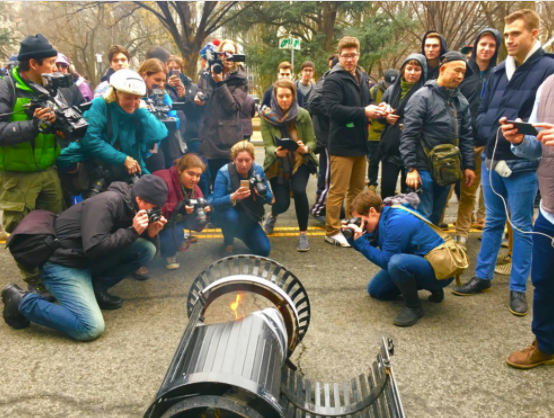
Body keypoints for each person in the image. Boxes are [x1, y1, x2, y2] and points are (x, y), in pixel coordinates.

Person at [452, 9, 554, 317]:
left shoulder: (548, 69)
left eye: (515, 34)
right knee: (493, 222)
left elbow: (542, 122)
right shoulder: (498, 71)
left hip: (523, 165)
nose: (508, 39)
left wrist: (520, 133)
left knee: (521, 226)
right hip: (491, 159)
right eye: (506, 34)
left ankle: (518, 288)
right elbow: (481, 112)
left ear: (534, 34)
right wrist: (492, 130)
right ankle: (483, 276)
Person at [1, 175, 168, 341]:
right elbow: (95, 248)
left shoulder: (134, 208)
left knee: (146, 249)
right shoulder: (108, 202)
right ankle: (21, 301)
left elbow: (146, 249)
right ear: (139, 199)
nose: (155, 212)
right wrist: (133, 231)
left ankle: (96, 288)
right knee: (90, 327)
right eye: (154, 208)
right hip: (62, 264)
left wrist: (151, 233)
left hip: (83, 258)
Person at [0, 34, 62, 298]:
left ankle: (54, 275)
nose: (55, 68)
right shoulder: (7, 88)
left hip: (49, 170)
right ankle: (34, 281)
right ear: (34, 63)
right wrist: (33, 125)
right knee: (22, 231)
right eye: (51, 62)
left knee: (55, 226)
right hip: (18, 176)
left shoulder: (50, 87)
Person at [501, 74, 554, 368]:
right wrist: (520, 140)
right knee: (544, 281)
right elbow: (537, 145)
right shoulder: (548, 86)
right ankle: (546, 345)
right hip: (549, 211)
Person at [345, 190, 454, 327]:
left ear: (372, 212)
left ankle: (414, 307)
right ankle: (425, 285)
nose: (361, 225)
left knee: (396, 263)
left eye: (362, 221)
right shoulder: (383, 218)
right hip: (419, 261)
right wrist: (352, 237)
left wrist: (361, 242)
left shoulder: (397, 221)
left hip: (440, 270)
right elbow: (368, 244)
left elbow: (386, 261)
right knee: (376, 291)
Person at [323, 36, 388, 248]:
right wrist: (364, 112)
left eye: (353, 55)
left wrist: (377, 108)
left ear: (358, 55)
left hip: (360, 142)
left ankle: (352, 226)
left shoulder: (361, 75)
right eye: (345, 56)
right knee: (338, 191)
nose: (349, 59)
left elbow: (366, 102)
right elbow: (333, 110)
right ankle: (332, 231)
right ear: (339, 56)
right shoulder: (333, 79)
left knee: (357, 191)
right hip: (341, 145)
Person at [400, 51, 476, 225]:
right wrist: (410, 168)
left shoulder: (460, 101)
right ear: (442, 69)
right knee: (422, 218)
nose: (460, 76)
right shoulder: (421, 97)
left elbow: (466, 136)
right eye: (457, 70)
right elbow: (409, 135)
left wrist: (469, 166)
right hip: (422, 169)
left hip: (447, 170)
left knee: (435, 218)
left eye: (463, 72)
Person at [57, 69, 168, 180]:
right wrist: (122, 159)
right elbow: (90, 140)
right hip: (92, 166)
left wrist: (142, 112)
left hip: (125, 168)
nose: (132, 103)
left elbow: (158, 135)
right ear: (115, 93)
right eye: (127, 98)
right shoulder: (100, 105)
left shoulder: (138, 111)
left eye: (136, 98)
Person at [454, 29, 501, 250]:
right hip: (461, 141)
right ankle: (450, 235)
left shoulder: (499, 74)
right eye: (483, 44)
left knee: (480, 191)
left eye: (492, 45)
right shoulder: (463, 71)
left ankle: (473, 232)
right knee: (456, 191)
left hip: (488, 141)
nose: (486, 49)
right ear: (476, 46)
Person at [260, 79, 318, 251]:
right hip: (278, 164)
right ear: (275, 97)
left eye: (288, 96)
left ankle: (303, 234)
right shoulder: (267, 117)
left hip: (300, 161)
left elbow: (312, 141)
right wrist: (275, 151)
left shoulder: (303, 114)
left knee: (299, 191)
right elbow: (268, 145)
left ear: (293, 96)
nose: (284, 99)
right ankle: (274, 214)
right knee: (283, 203)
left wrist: (305, 148)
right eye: (281, 96)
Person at [196, 39, 248, 191]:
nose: (228, 56)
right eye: (224, 53)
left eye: (231, 53)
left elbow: (233, 106)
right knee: (208, 183)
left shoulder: (240, 78)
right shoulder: (206, 74)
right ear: (219, 55)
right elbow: (202, 97)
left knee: (226, 186)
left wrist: (219, 83)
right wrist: (198, 100)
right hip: (208, 136)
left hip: (227, 140)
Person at [208, 140, 273, 256]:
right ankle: (228, 242)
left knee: (263, 250)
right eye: (240, 160)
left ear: (253, 159)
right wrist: (232, 197)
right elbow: (215, 202)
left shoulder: (257, 170)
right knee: (231, 217)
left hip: (248, 216)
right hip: (229, 215)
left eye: (247, 160)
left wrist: (261, 194)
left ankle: (241, 233)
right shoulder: (224, 172)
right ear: (234, 160)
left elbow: (270, 198)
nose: (244, 165)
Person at [378, 55, 427, 200]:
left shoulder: (426, 92)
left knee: (409, 194)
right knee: (387, 189)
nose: (412, 73)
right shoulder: (391, 90)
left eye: (417, 70)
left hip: (413, 151)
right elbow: (379, 117)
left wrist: (411, 125)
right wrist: (385, 117)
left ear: (423, 72)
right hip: (391, 148)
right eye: (409, 69)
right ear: (403, 70)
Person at [153, 154, 209, 270]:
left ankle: (171, 249)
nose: (194, 179)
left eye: (198, 175)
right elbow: (154, 209)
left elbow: (198, 217)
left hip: (172, 220)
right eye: (191, 174)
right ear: (179, 170)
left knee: (177, 233)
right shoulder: (162, 180)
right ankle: (142, 258)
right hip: (150, 220)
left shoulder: (195, 188)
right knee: (158, 242)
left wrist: (205, 211)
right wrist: (179, 207)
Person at [309, 55, 340, 219]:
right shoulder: (328, 79)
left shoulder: (340, 79)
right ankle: (318, 208)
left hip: (336, 135)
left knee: (330, 174)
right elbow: (313, 102)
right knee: (327, 175)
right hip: (328, 135)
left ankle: (326, 206)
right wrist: (336, 113)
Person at [138, 58, 181, 172]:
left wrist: (161, 120)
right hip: (136, 147)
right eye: (157, 80)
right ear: (144, 76)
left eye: (163, 81)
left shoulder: (163, 94)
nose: (161, 84)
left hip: (157, 148)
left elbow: (175, 120)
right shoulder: (134, 94)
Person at [367, 69, 399, 192]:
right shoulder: (374, 91)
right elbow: (367, 106)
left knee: (390, 163)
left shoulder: (399, 91)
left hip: (390, 134)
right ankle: (372, 183)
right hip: (375, 133)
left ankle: (391, 186)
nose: (390, 87)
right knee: (373, 161)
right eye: (388, 84)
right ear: (383, 80)